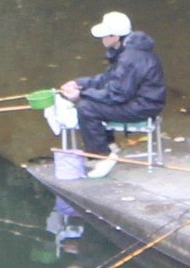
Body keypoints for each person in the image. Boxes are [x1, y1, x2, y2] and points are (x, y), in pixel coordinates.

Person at [60, 11, 166, 178]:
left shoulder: (130, 57)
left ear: (115, 36)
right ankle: (110, 146)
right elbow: (109, 79)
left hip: (144, 106)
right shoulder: (127, 49)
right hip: (140, 100)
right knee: (93, 102)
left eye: (104, 35)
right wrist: (80, 83)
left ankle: (102, 157)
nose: (102, 39)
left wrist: (82, 95)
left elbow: (118, 95)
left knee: (86, 108)